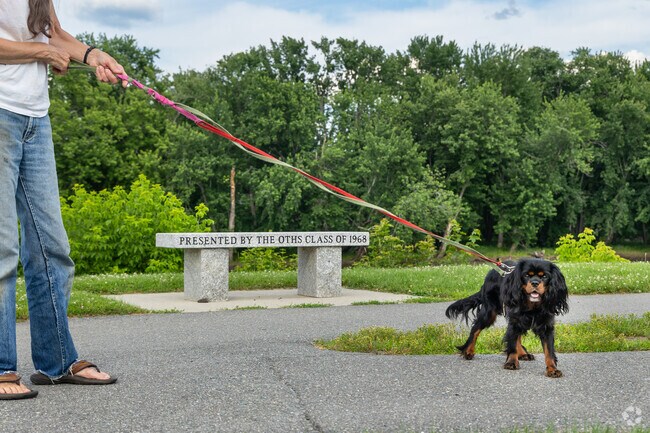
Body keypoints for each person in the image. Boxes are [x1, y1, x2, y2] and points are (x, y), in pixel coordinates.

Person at [0, 0, 126, 400]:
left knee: (51, 247)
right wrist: (42, 52)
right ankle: (2, 367)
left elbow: (54, 34)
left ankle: (55, 362)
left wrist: (95, 55)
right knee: (2, 250)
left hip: (36, 118)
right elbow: (44, 46)